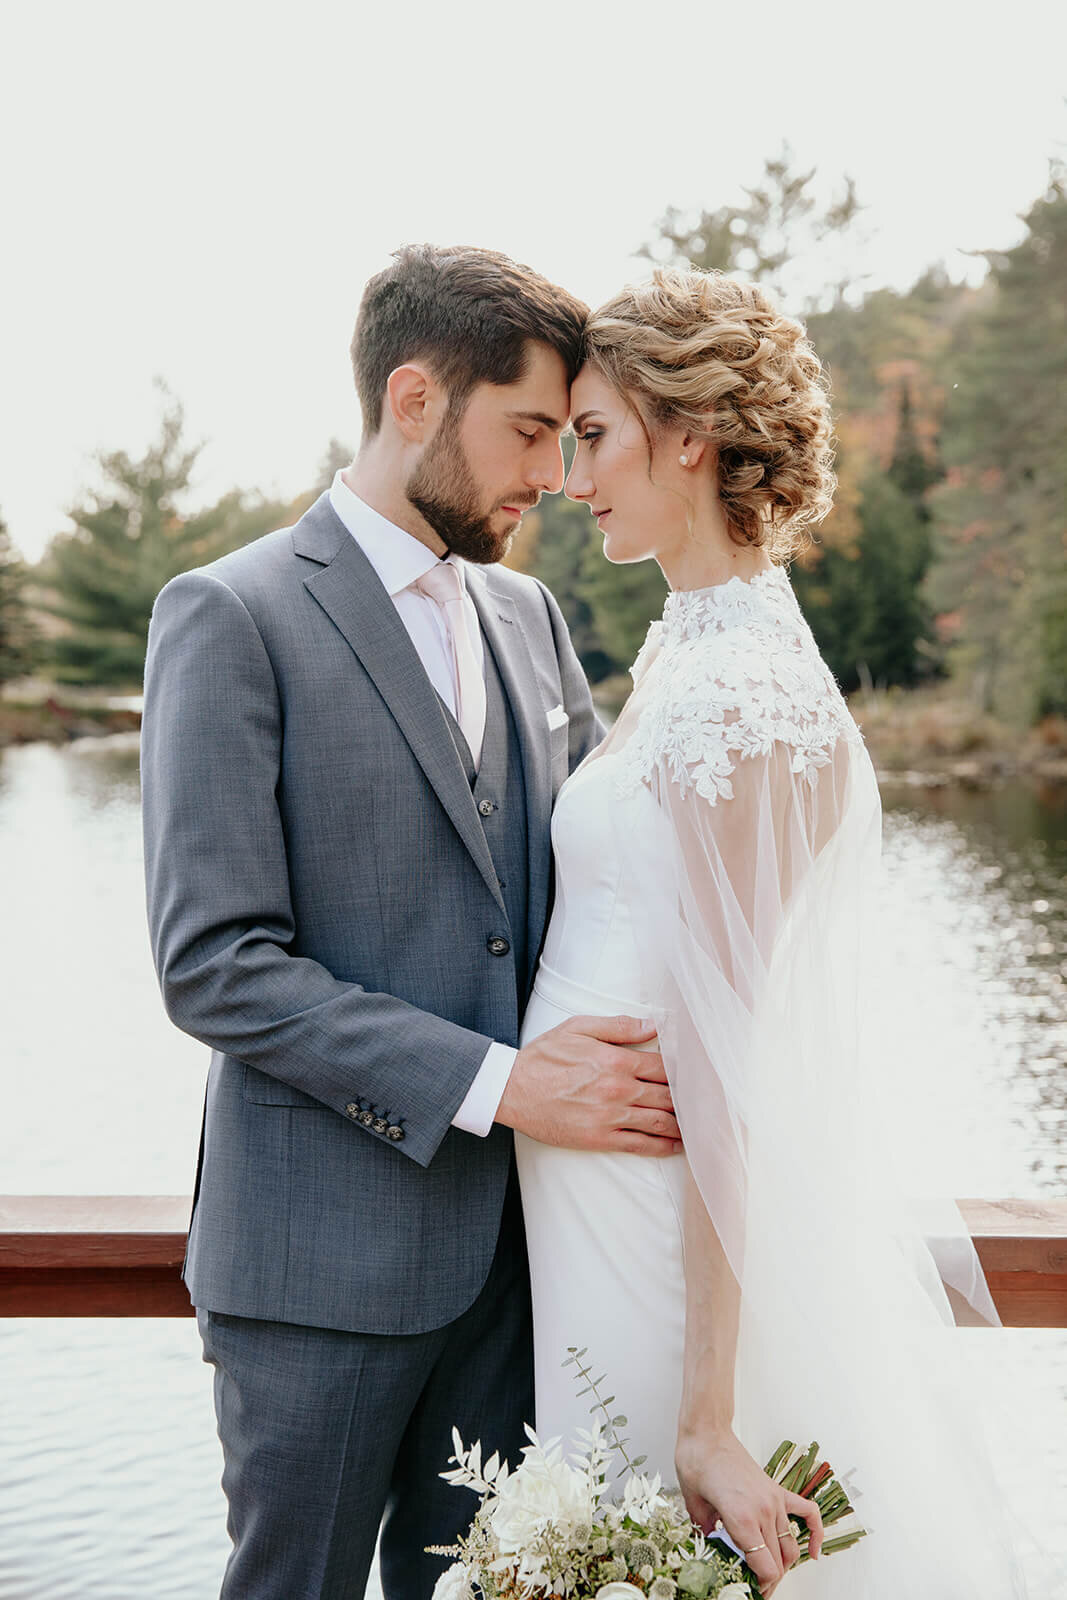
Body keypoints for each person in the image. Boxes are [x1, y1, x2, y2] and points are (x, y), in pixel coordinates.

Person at [140, 244, 685, 1600]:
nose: (555, 479)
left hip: (518, 1273)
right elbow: (216, 967)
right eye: (530, 432)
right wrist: (501, 1086)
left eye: (573, 440)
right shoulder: (232, 614)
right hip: (317, 1275)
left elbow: (610, 875)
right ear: (414, 396)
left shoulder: (530, 619)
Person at [515, 266, 1029, 1597]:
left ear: (686, 435)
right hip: (588, 1203)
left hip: (654, 1228)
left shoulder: (749, 696)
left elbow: (729, 1057)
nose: (575, 479)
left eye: (595, 436)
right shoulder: (689, 650)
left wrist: (708, 1414)